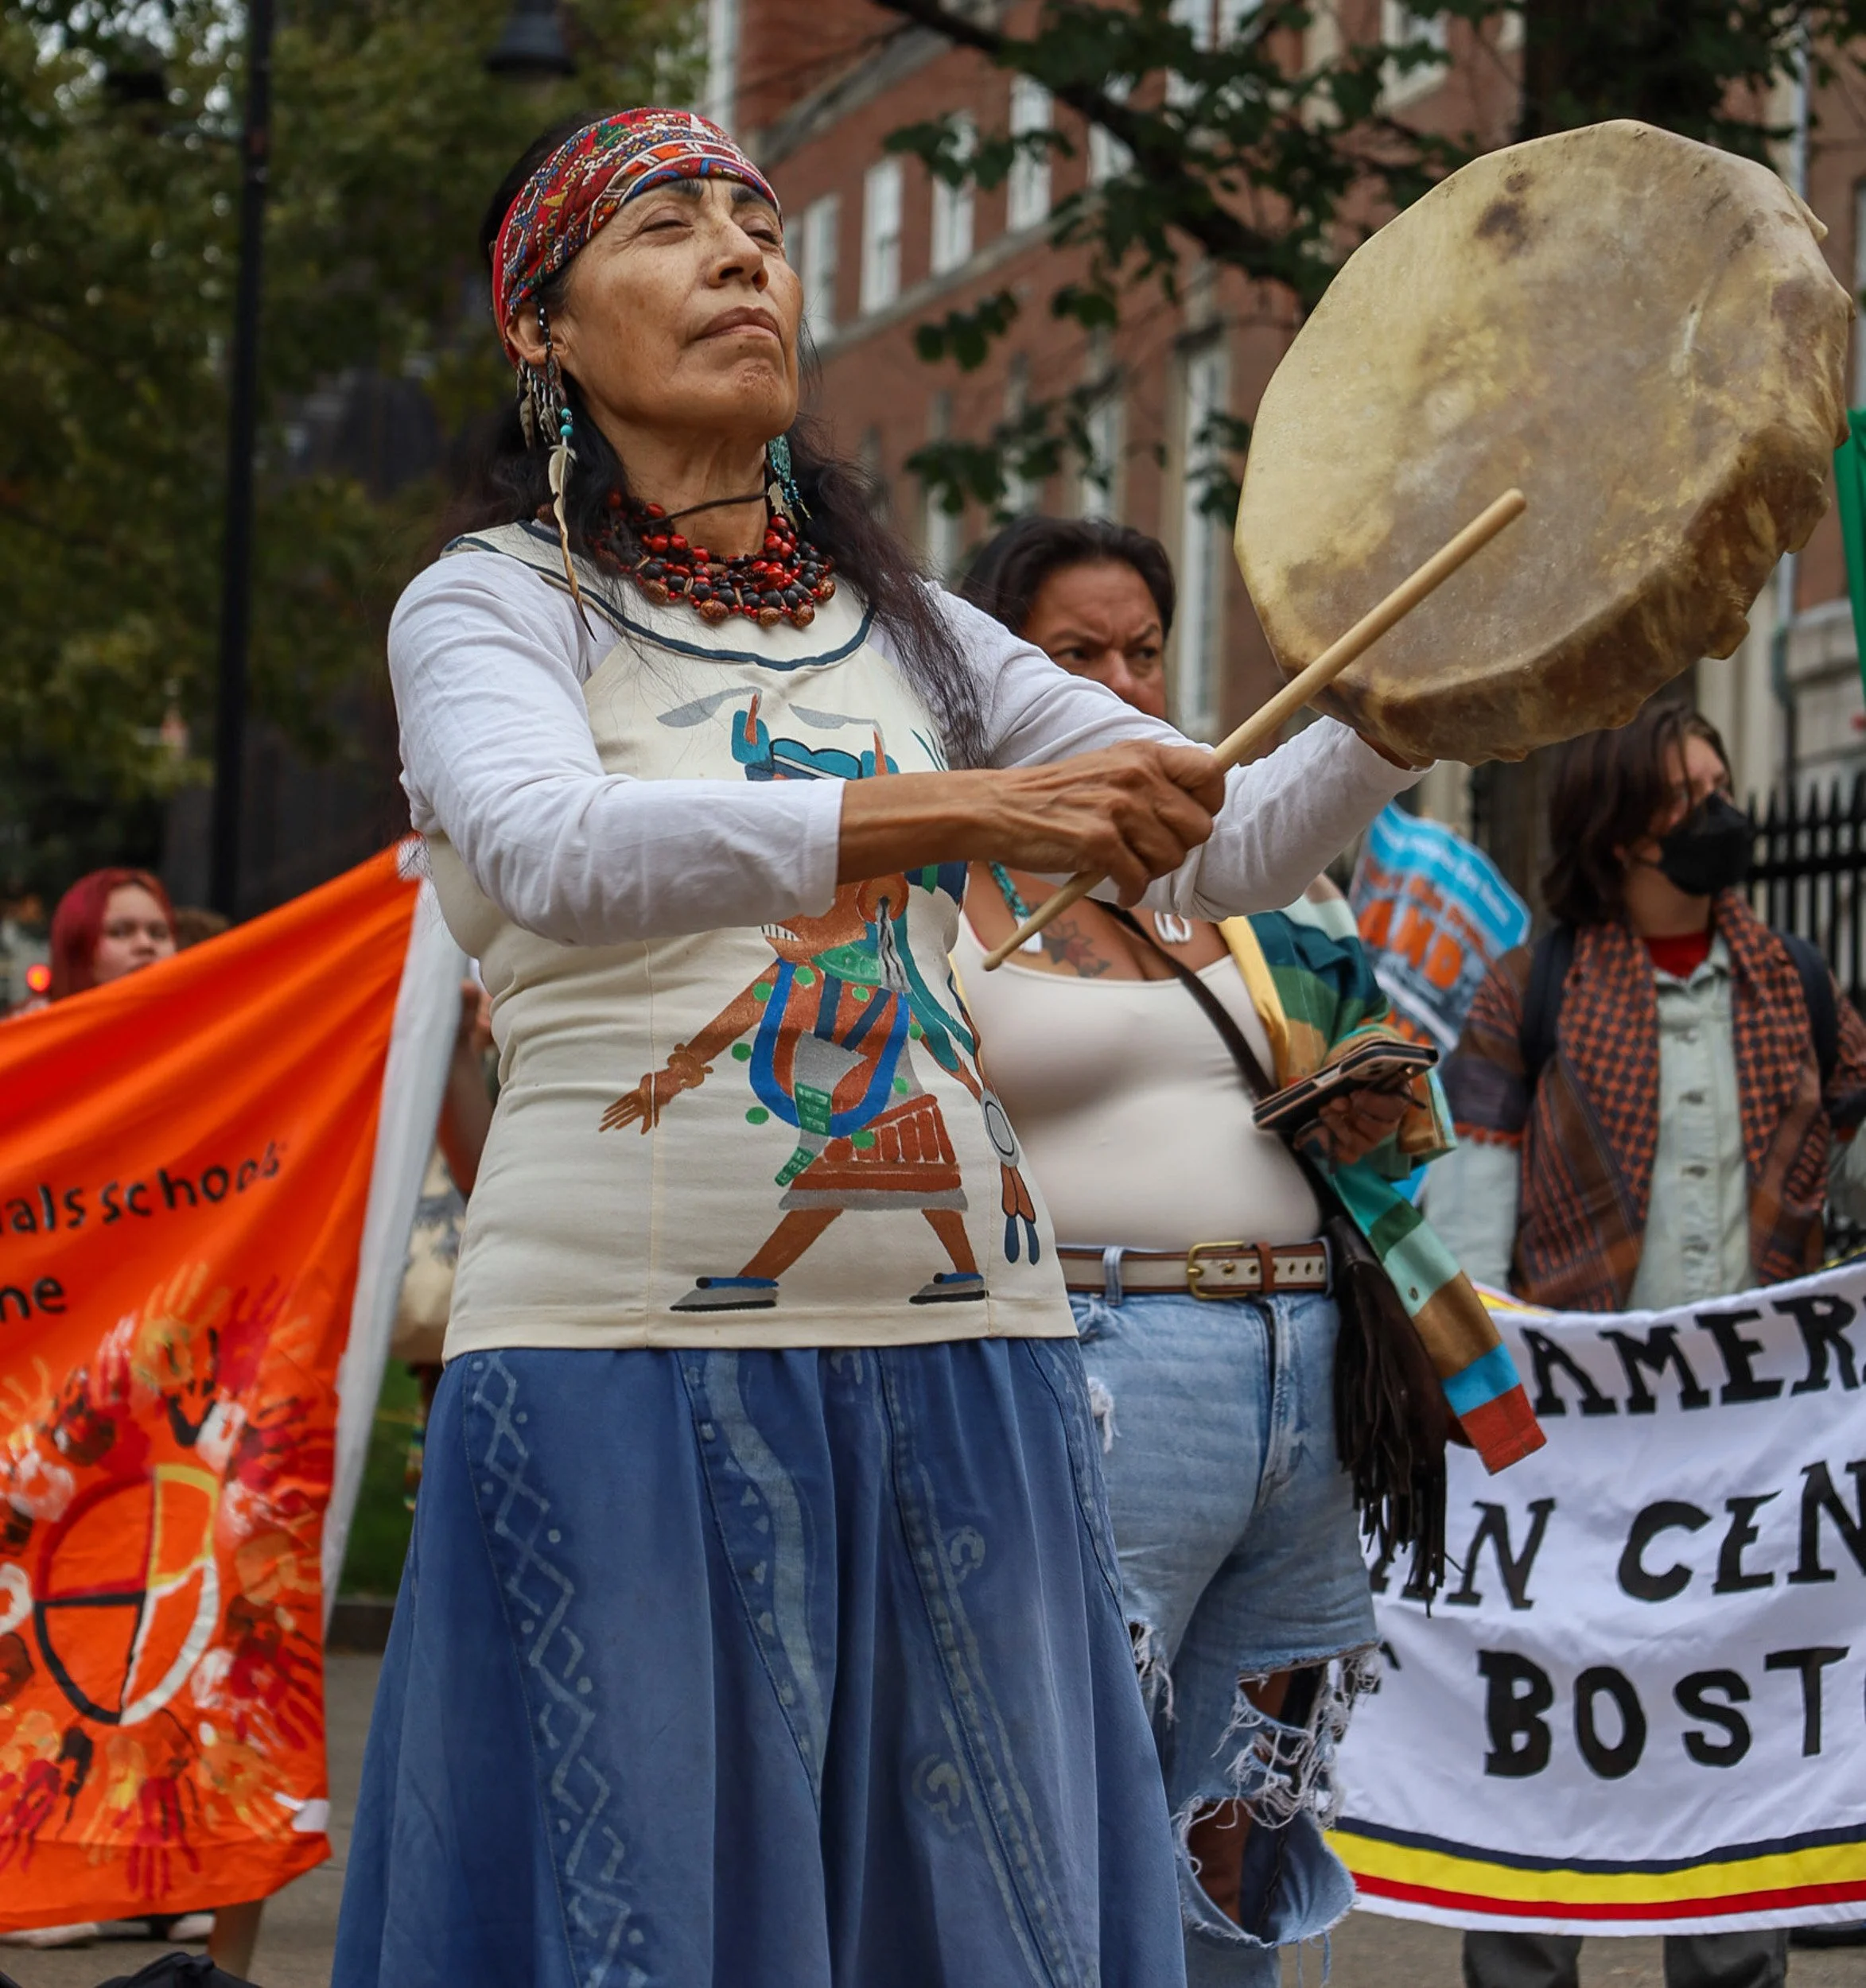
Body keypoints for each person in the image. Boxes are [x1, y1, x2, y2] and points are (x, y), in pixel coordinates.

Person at [332, 107, 1436, 1988]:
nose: (743, 253)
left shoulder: (907, 624)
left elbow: (1223, 834)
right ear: (542, 327)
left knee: (979, 1926)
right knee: (652, 1920)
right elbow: (548, 849)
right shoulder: (493, 599)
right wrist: (955, 815)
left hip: (972, 1365)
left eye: (757, 222)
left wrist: (1450, 667)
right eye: (667, 226)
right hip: (624, 1363)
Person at [954, 515, 1538, 1984]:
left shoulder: (1242, 878)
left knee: (1236, 1822)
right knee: (1068, 1787)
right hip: (1098, 1366)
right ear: (995, 671)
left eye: (1142, 650)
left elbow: (1377, 1117)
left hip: (1299, 1379)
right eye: (1073, 652)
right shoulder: (943, 882)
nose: (1120, 680)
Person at [1433, 699, 1866, 1988]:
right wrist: (1473, 1396)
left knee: (1728, 1726)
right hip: (1575, 1444)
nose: (1714, 816)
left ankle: (1729, 1960)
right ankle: (1524, 1956)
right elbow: (1467, 1222)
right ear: (1615, 828)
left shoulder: (1795, 980)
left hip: (1748, 1441)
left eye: (1719, 786)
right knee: (1551, 1711)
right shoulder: (1532, 986)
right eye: (1682, 797)